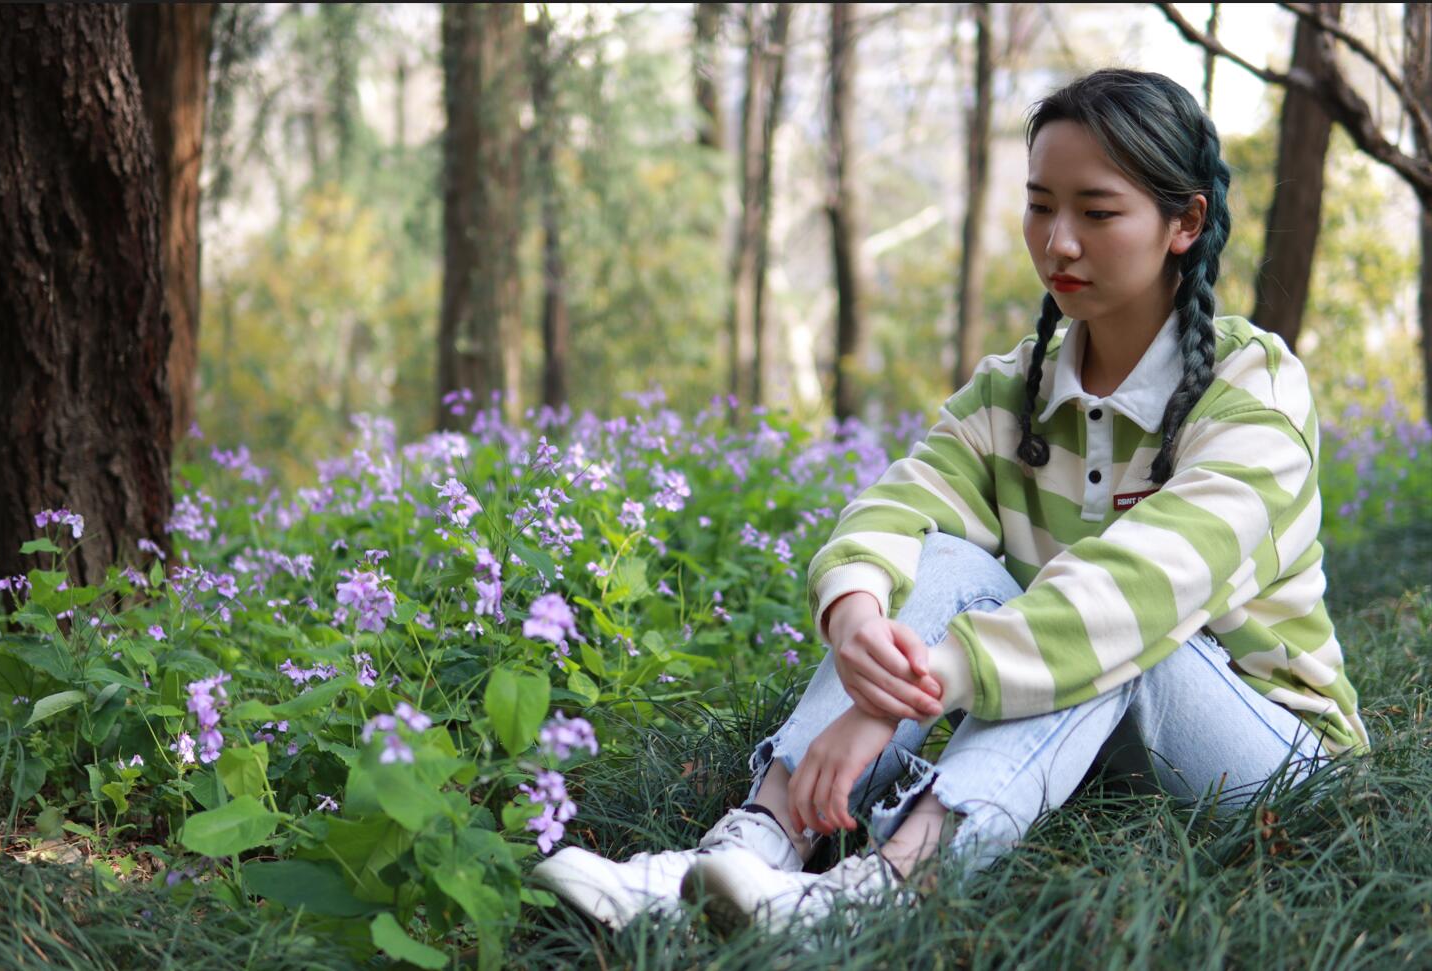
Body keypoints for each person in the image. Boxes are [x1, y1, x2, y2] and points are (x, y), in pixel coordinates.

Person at [531, 67, 1371, 937]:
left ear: (1184, 223)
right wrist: (856, 621)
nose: (1058, 243)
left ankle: (881, 890)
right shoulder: (1015, 388)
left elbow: (1137, 593)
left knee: (1114, 629)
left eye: (1096, 211)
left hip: (1270, 756)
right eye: (1039, 206)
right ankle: (750, 845)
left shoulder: (1252, 388)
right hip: (1085, 736)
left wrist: (908, 695)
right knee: (943, 558)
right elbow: (901, 507)